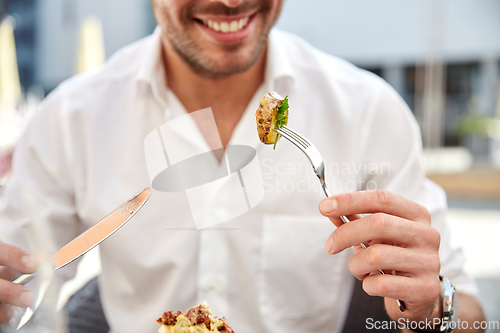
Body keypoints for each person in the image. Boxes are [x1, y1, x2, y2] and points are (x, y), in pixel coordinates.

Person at [0, 0, 486, 332]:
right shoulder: (71, 120)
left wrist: (432, 306)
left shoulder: (368, 112)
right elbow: (22, 290)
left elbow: (473, 315)